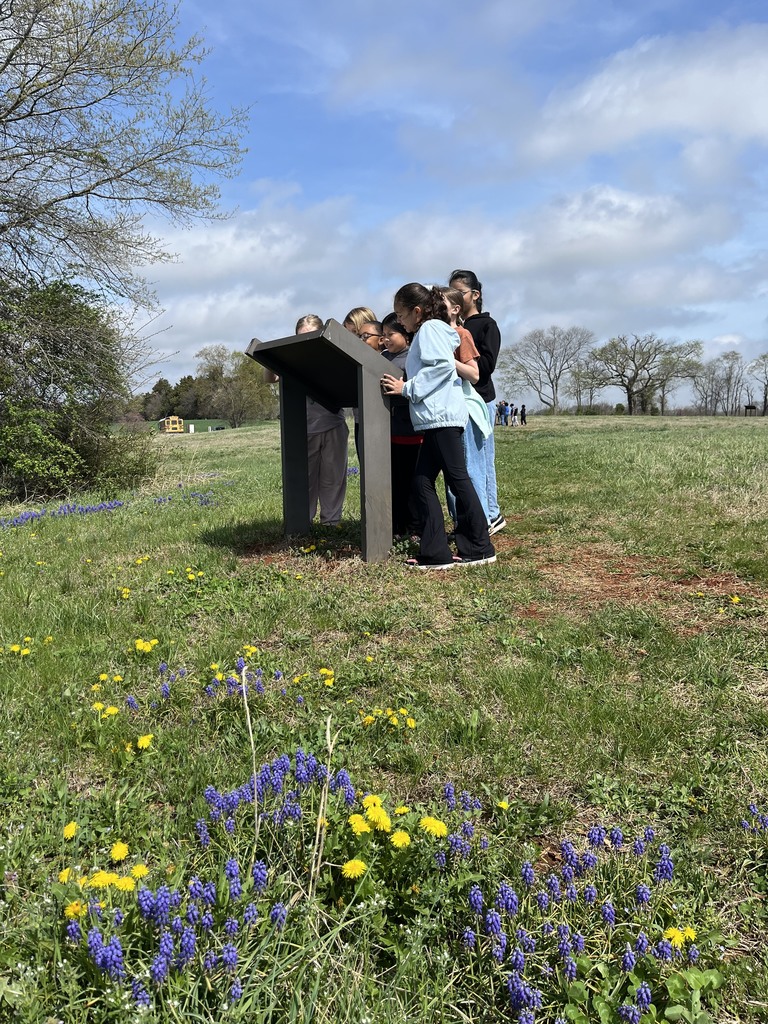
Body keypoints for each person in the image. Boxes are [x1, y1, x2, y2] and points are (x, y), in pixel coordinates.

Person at [380, 283, 496, 569]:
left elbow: (442, 367)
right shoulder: (430, 330)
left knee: (458, 480)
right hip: (437, 417)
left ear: (417, 311)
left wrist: (406, 388)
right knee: (422, 483)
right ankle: (436, 553)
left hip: (441, 416)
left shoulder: (429, 330)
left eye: (401, 315)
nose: (400, 321)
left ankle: (480, 546)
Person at [265, 314, 348, 525]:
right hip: (303, 428)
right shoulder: (291, 358)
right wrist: (271, 358)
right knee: (306, 479)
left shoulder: (332, 355)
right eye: (301, 336)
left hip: (333, 424)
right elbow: (269, 379)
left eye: (311, 335)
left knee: (333, 478)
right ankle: (304, 521)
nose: (306, 341)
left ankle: (331, 522)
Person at [448, 270, 505, 535]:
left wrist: (457, 358)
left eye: (459, 291)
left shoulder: (486, 326)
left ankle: (489, 515)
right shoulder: (453, 327)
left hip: (481, 398)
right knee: (474, 460)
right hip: (459, 398)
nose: (454, 297)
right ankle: (490, 514)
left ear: (475, 295)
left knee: (481, 459)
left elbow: (487, 365)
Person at [440, 286, 491, 527]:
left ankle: (479, 527)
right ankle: (462, 525)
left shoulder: (462, 334)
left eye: (441, 304)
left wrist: (448, 361)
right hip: (445, 413)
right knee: (452, 476)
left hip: (465, 411)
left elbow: (474, 374)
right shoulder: (434, 335)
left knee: (469, 471)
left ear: (455, 309)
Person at [381, 312, 422, 537]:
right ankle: (396, 526)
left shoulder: (412, 358)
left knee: (413, 483)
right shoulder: (382, 357)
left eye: (391, 334)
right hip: (390, 433)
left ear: (406, 334)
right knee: (395, 483)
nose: (386, 339)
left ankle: (415, 527)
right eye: (383, 335)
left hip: (413, 433)